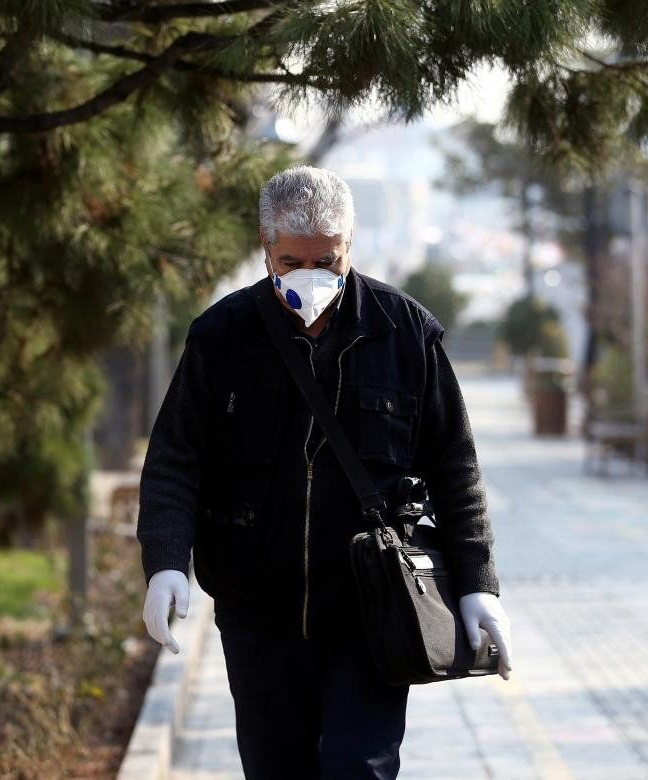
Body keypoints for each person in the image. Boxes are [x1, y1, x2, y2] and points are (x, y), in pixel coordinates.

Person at [137, 165, 512, 779]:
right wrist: (165, 561)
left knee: (357, 768)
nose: (309, 278)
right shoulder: (221, 336)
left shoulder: (406, 333)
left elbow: (455, 466)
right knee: (275, 768)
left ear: (350, 246)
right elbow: (176, 459)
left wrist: (478, 585)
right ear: (265, 247)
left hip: (372, 612)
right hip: (258, 614)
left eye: (328, 262)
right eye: (291, 261)